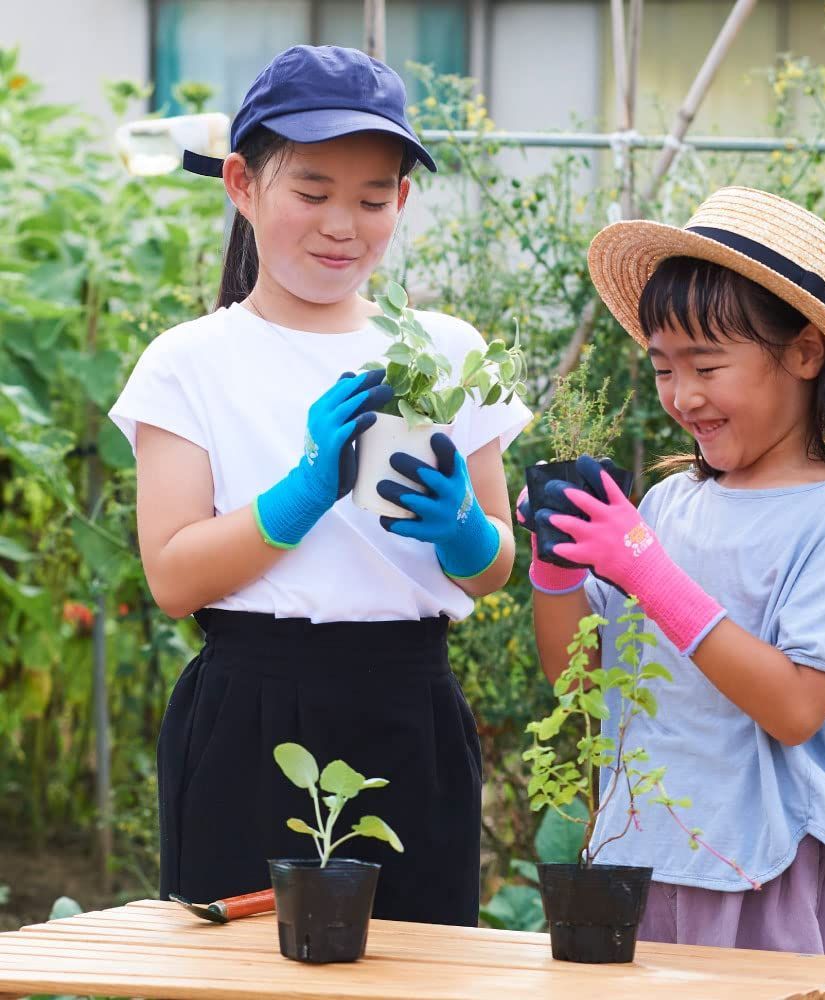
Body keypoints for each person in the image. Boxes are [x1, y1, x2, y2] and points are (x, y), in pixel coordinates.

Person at [109, 44, 530, 927]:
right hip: (249, 712)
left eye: (373, 198)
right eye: (312, 191)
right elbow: (174, 577)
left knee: (416, 971)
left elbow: (494, 566)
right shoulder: (190, 362)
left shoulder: (445, 351)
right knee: (240, 972)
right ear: (241, 185)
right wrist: (302, 491)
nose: (344, 223)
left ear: (402, 202)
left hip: (409, 710)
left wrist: (459, 528)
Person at [522, 187, 825, 991]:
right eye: (663, 368)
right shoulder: (668, 506)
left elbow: (797, 707)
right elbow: (582, 685)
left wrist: (646, 571)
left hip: (768, 876)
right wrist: (555, 562)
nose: (682, 395)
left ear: (804, 354)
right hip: (638, 867)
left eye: (706, 365)